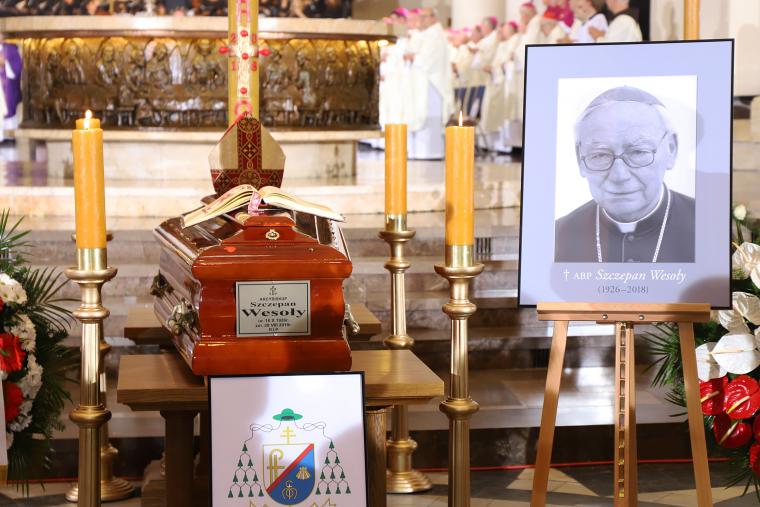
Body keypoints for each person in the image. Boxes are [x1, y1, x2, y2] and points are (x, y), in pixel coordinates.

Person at [555, 86, 694, 263]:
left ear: (671, 150)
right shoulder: (557, 236)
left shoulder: (709, 227)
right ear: (579, 159)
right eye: (600, 154)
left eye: (638, 152)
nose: (619, 176)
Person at [404, 8, 452, 159]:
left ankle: (431, 152)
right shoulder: (427, 34)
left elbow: (429, 61)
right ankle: (418, 152)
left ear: (434, 18)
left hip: (432, 85)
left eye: (424, 17)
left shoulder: (436, 35)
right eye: (420, 17)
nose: (421, 20)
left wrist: (413, 57)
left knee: (429, 116)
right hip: (422, 83)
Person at [0, 34, 22, 140]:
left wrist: (5, 63)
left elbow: (18, 67)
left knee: (7, 106)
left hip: (7, 84)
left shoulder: (11, 49)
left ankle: (8, 137)